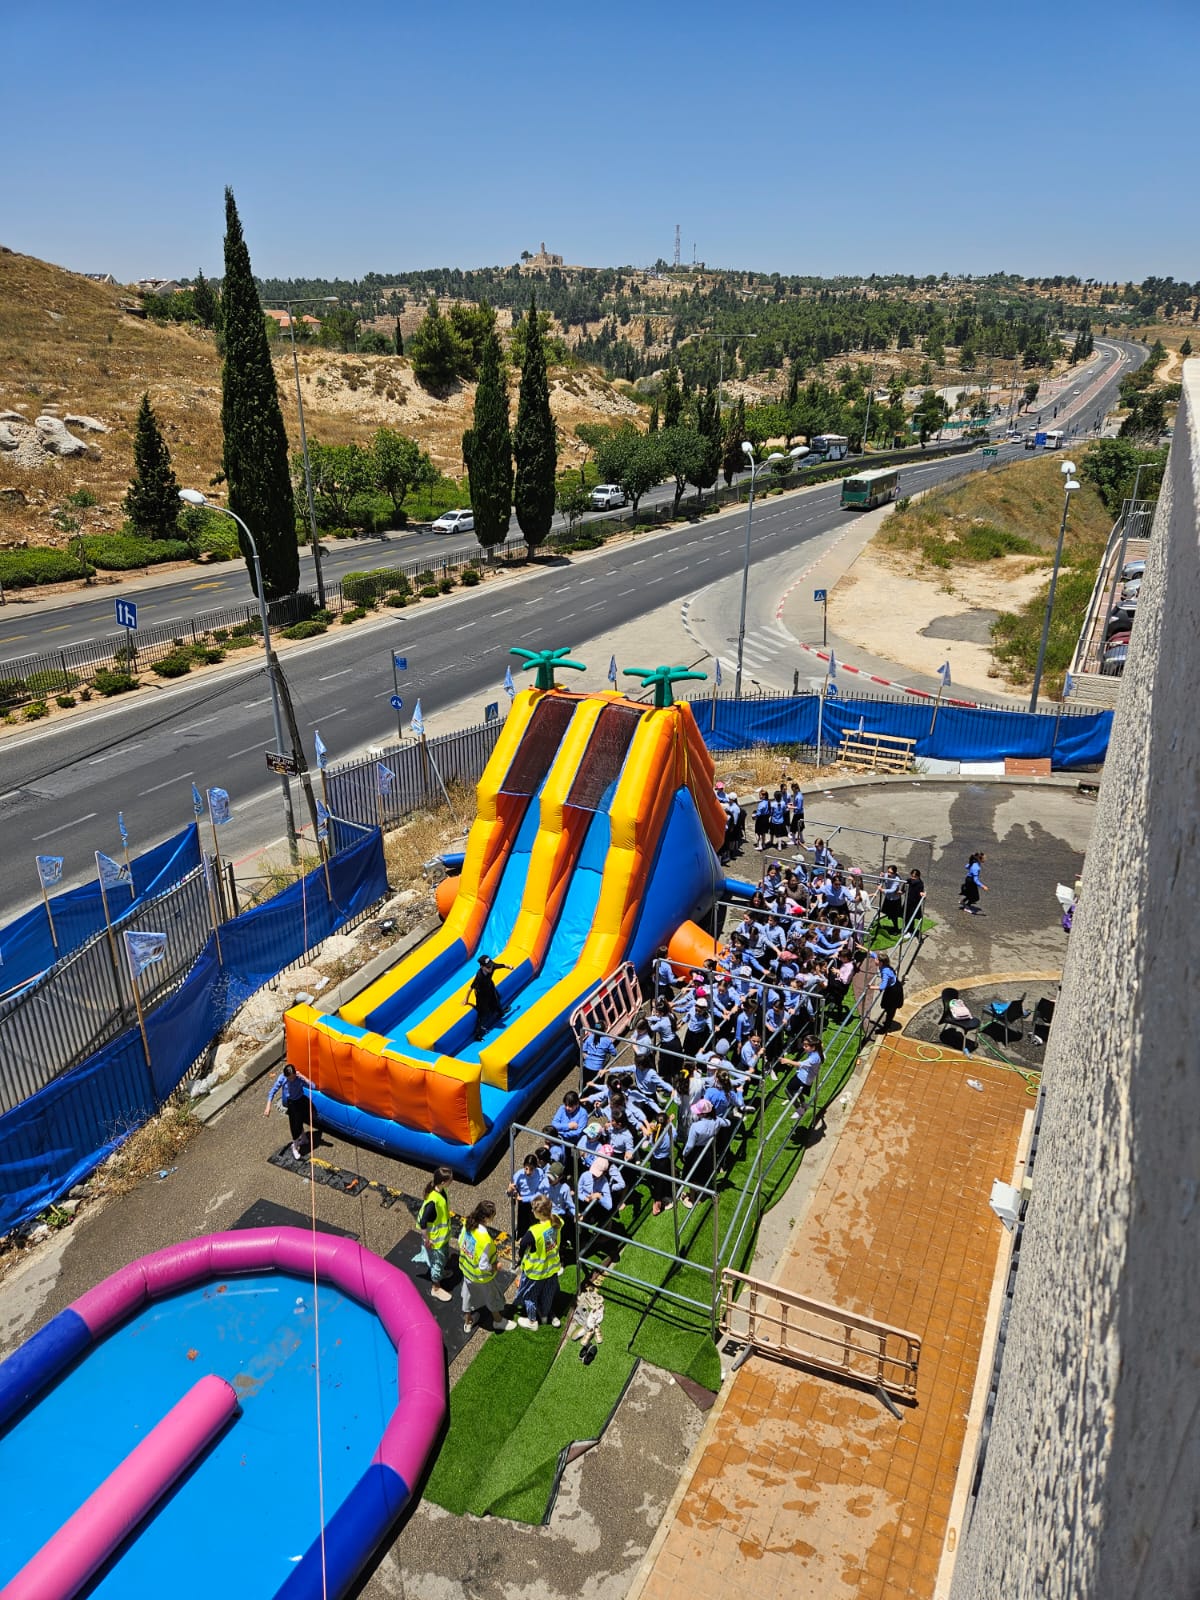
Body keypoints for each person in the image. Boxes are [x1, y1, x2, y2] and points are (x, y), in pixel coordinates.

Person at [458, 1201, 514, 1335]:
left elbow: (461, 1241)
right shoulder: (485, 1239)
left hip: (467, 1271)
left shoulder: (468, 1224)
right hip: (482, 1277)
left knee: (467, 1297)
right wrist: (495, 1266)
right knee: (492, 1297)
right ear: (486, 1218)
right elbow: (483, 1266)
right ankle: (498, 1321)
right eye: (492, 1216)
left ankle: (468, 1322)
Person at [514, 1195, 562, 1329]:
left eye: (533, 1210)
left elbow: (523, 1245)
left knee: (530, 1295)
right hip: (552, 1268)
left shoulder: (534, 1231)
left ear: (539, 1213)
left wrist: (520, 1255)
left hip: (536, 1272)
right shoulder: (556, 1220)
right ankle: (546, 1315)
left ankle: (532, 1321)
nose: (531, 1212)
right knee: (547, 1293)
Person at [414, 1166, 455, 1302]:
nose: (452, 1181)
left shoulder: (442, 1192)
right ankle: (435, 1287)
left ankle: (441, 1273)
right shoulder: (433, 1202)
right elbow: (423, 1222)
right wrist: (427, 1239)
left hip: (442, 1237)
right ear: (443, 1182)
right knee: (438, 1262)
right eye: (450, 1179)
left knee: (443, 1258)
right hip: (435, 1240)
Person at [263, 1063, 318, 1161]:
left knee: (300, 1120)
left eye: (293, 1077)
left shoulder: (299, 1078)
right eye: (290, 1078)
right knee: (294, 1126)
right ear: (286, 1076)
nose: (292, 1079)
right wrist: (268, 1106)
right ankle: (295, 1146)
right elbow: (272, 1092)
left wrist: (302, 1077)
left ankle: (304, 1138)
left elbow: (313, 1086)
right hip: (292, 1103)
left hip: (300, 1100)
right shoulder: (282, 1079)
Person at [468, 955, 511, 1039]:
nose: (490, 968)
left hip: (490, 988)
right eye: (488, 967)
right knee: (482, 1012)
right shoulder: (479, 976)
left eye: (491, 965)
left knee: (496, 999)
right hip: (481, 995)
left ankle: (500, 1013)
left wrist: (508, 966)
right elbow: (471, 988)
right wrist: (466, 1000)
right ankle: (477, 1034)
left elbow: (499, 965)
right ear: (482, 967)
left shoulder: (491, 966)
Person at [507, 1150, 549, 1237]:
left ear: (535, 1167)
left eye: (531, 1169)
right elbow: (510, 1193)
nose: (528, 1172)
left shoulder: (540, 1173)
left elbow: (540, 1191)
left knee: (535, 1223)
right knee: (522, 1223)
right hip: (523, 1203)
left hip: (535, 1201)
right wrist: (510, 1190)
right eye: (526, 1168)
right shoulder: (518, 1176)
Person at [875, 953, 904, 1032]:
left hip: (893, 991)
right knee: (888, 1007)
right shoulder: (885, 965)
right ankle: (888, 1022)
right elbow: (873, 954)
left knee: (890, 1009)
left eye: (876, 959)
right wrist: (862, 947)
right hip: (893, 988)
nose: (875, 960)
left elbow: (882, 986)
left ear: (880, 962)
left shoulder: (885, 972)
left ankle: (886, 1027)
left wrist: (870, 987)